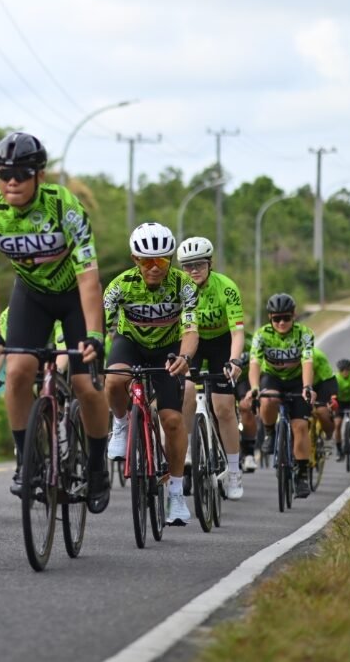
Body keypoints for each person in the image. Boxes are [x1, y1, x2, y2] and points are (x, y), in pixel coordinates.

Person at [0, 132, 110, 514]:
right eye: (4, 173)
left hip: (74, 297)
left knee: (84, 382)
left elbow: (88, 278)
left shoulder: (64, 206)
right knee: (16, 371)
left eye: (22, 172)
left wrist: (95, 335)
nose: (12, 180)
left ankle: (97, 466)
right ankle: (26, 461)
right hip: (30, 296)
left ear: (39, 175)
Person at [104, 223, 199, 525]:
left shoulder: (184, 285)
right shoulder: (119, 286)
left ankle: (176, 494)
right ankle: (120, 424)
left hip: (168, 349)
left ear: (170, 258)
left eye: (161, 260)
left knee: (171, 421)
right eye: (147, 261)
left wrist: (185, 357)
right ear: (135, 259)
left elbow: (190, 329)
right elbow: (101, 324)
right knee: (114, 380)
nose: (154, 268)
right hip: (129, 343)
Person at [175, 237, 246, 499]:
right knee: (185, 396)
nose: (194, 270)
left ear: (210, 264)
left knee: (224, 408)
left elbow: (237, 332)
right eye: (188, 266)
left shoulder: (226, 288)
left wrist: (235, 360)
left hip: (220, 344)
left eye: (199, 265)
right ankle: (187, 456)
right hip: (189, 342)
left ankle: (235, 472)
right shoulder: (177, 289)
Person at [246, 293, 316, 498]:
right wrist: (254, 387)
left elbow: (307, 362)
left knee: (301, 426)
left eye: (286, 317)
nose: (282, 322)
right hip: (272, 378)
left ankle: (302, 475)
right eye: (277, 318)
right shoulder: (261, 335)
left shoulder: (304, 333)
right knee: (267, 399)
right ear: (270, 318)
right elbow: (255, 363)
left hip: (296, 381)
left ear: (294, 315)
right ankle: (269, 432)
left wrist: (307, 386)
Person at [309, 347, 337, 459]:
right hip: (299, 386)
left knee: (322, 412)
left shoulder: (318, 356)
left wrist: (333, 397)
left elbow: (329, 379)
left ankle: (328, 438)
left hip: (320, 386)